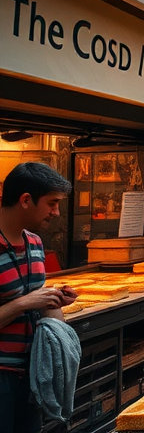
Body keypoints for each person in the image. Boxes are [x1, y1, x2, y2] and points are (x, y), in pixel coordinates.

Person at [0, 163, 76, 433]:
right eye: (52, 203)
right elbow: (26, 302)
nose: (56, 213)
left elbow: (37, 302)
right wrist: (26, 302)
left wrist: (54, 300)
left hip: (32, 374)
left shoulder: (34, 242)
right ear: (25, 200)